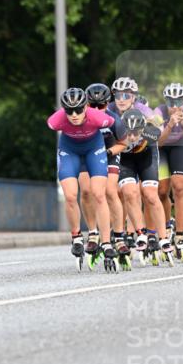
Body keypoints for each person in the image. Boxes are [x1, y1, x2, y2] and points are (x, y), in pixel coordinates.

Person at [47, 87, 115, 261]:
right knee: (70, 196)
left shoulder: (99, 117)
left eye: (78, 109)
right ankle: (76, 237)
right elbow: (53, 122)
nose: (74, 115)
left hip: (94, 149)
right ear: (64, 110)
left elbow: (116, 126)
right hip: (70, 151)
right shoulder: (56, 121)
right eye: (69, 111)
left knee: (99, 194)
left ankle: (106, 242)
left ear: (86, 107)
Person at [108, 107, 173, 259]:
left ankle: (163, 237)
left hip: (147, 158)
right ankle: (140, 233)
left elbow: (162, 142)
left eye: (136, 133)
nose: (131, 137)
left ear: (143, 129)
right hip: (126, 161)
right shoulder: (116, 132)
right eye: (128, 133)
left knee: (150, 195)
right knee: (129, 194)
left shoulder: (151, 132)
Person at [153, 82, 183, 256]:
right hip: (163, 148)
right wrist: (170, 125)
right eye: (170, 101)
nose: (174, 106)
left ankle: (180, 235)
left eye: (178, 101)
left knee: (180, 188)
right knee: (162, 190)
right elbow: (158, 142)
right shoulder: (158, 112)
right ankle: (166, 228)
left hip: (181, 146)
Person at [83, 82, 128, 259]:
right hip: (86, 154)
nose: (96, 109)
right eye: (92, 105)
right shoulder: (79, 118)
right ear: (85, 104)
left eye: (100, 105)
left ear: (107, 104)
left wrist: (107, 153)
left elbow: (123, 144)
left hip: (109, 152)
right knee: (86, 192)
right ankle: (93, 233)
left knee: (109, 192)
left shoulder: (113, 119)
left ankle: (118, 236)